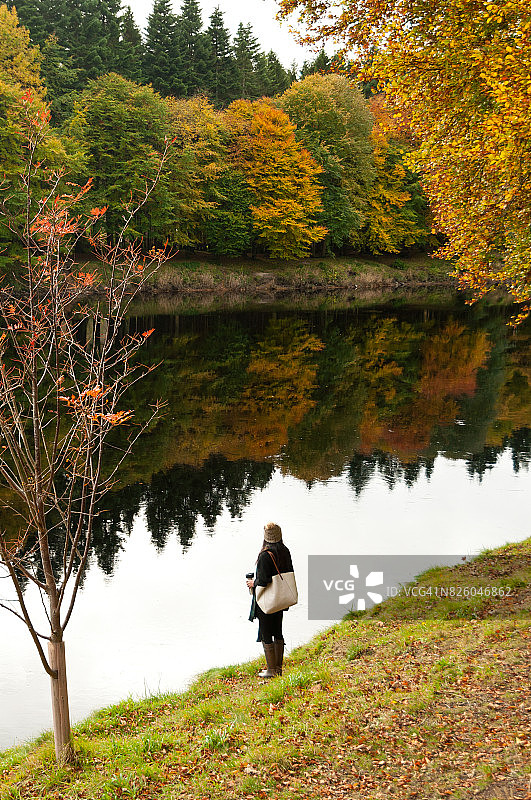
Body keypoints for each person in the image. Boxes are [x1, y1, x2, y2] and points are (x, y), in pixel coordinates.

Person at [246, 521, 294, 679]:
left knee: (266, 633)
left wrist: (254, 583)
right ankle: (278, 668)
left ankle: (271, 670)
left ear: (265, 537)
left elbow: (264, 580)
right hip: (279, 599)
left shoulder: (265, 555)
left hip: (267, 600)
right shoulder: (285, 550)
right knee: (278, 630)